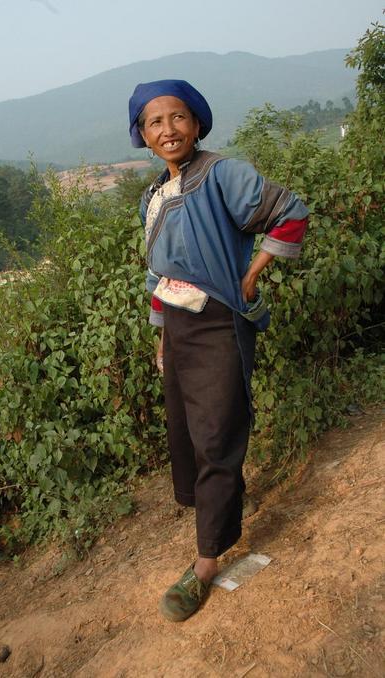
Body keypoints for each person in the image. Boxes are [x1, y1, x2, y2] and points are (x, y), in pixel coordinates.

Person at [128, 80, 308, 622]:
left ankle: (207, 559)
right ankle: (216, 510)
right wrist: (162, 335)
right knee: (187, 432)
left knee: (217, 434)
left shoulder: (222, 174)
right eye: (154, 122)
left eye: (177, 117)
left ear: (197, 123)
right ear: (142, 135)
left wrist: (250, 277)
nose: (168, 130)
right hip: (178, 331)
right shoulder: (153, 196)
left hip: (218, 324)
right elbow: (159, 275)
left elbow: (291, 213)